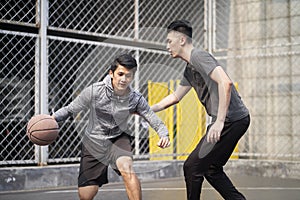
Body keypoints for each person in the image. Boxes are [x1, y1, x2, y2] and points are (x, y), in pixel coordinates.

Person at [150, 20, 250, 200]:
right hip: (232, 120)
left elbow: (225, 82)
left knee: (192, 167)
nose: (167, 46)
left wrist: (219, 122)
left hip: (230, 119)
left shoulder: (199, 57)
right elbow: (175, 97)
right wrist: (147, 110)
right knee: (211, 169)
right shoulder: (190, 67)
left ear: (181, 40)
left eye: (169, 41)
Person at [52, 54, 170, 200]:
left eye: (128, 76)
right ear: (111, 73)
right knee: (86, 195)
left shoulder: (135, 98)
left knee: (127, 169)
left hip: (118, 138)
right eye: (120, 74)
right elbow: (70, 109)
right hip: (94, 141)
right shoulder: (95, 91)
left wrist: (163, 134)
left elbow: (153, 118)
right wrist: (52, 119)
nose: (123, 79)